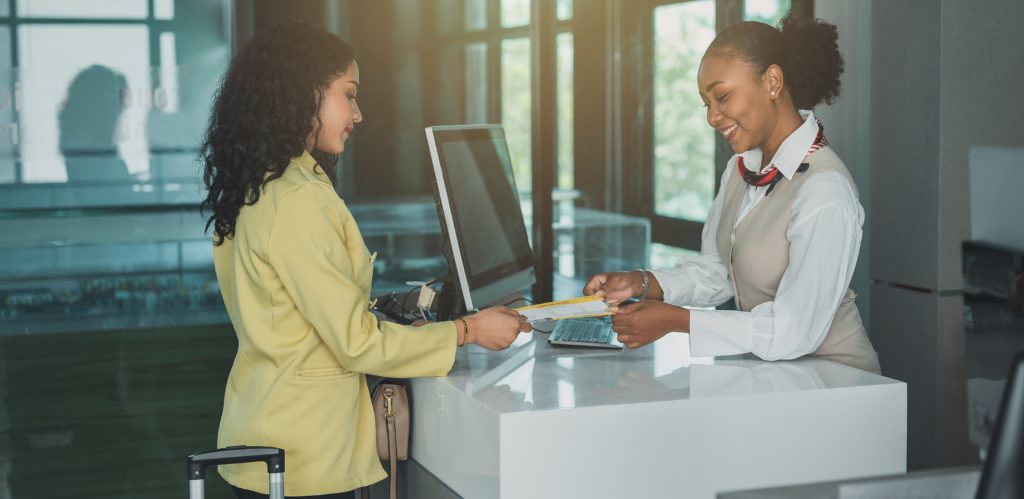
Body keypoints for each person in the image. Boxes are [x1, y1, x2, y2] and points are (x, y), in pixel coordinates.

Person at [200, 20, 532, 498]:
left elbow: (299, 316)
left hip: (272, 435)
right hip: (305, 460)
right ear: (300, 94)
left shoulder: (265, 185)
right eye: (348, 94)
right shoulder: (297, 200)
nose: (358, 113)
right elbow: (354, 343)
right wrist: (469, 331)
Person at [584, 15, 881, 374]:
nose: (712, 117)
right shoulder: (741, 170)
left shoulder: (826, 189)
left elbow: (793, 331)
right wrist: (643, 283)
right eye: (705, 103)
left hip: (840, 385)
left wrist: (677, 320)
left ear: (772, 81)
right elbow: (720, 271)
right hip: (779, 379)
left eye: (722, 96)